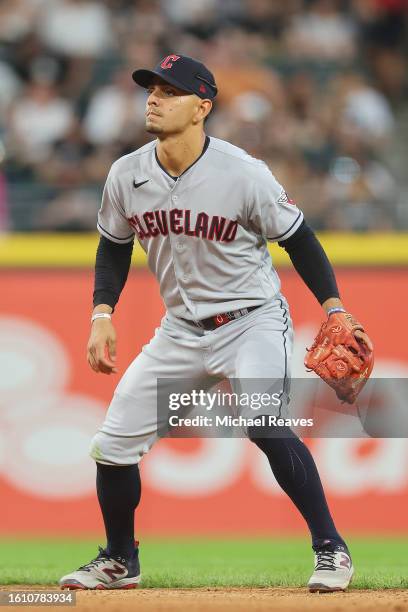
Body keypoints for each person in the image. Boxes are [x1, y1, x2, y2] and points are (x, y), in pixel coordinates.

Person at [59, 54, 372, 592]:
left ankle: (331, 550)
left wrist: (334, 308)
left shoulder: (243, 172)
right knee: (112, 446)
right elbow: (112, 249)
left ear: (202, 107)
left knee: (265, 424)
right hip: (178, 331)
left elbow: (299, 238)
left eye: (169, 91)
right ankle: (119, 559)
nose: (154, 98)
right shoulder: (126, 174)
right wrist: (101, 313)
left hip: (250, 322)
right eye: (151, 89)